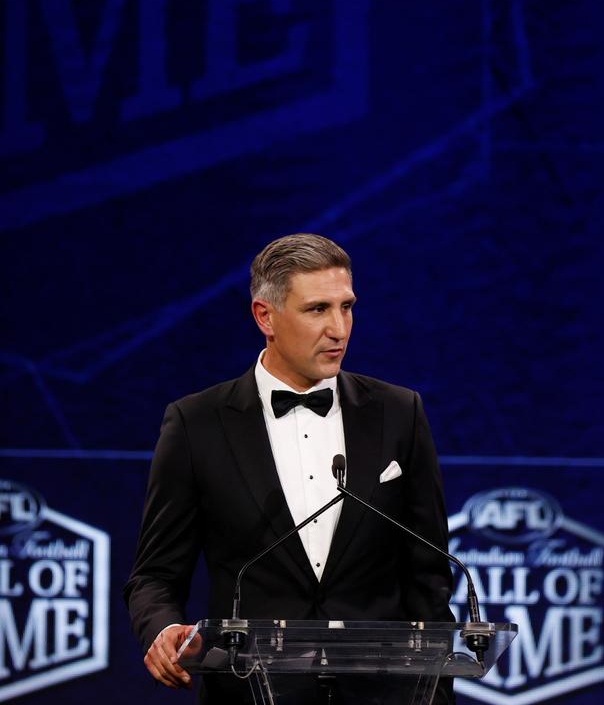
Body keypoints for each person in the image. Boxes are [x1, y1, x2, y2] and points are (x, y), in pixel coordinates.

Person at [125, 233, 456, 703]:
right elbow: (154, 575)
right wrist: (165, 629)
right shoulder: (197, 424)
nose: (340, 328)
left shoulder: (399, 413)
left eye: (347, 307)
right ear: (265, 316)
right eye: (317, 309)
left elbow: (429, 574)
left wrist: (437, 690)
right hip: (250, 692)